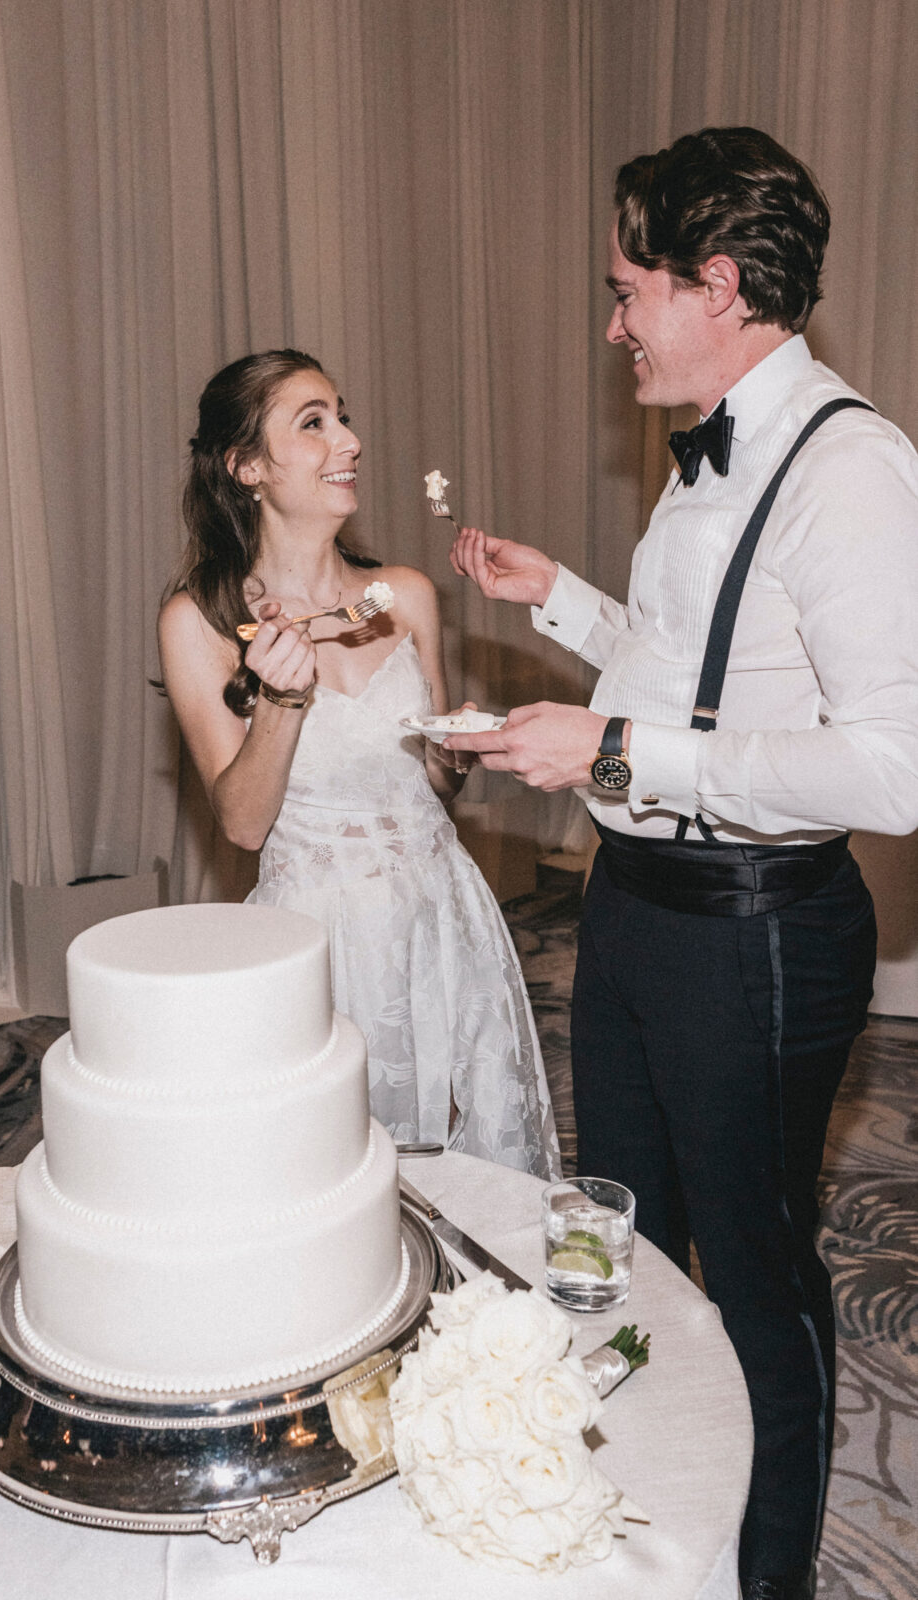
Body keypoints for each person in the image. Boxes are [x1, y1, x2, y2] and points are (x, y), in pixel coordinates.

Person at [445, 128, 918, 1600]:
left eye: (623, 289)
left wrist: (617, 756)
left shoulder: (850, 472)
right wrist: (567, 605)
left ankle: (762, 1574)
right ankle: (634, 1544)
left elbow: (892, 768)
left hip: (755, 932)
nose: (609, 324)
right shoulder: (706, 452)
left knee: (757, 1276)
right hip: (635, 908)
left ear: (714, 285)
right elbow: (699, 671)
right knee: (619, 1242)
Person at [158, 349, 560, 1181]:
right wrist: (281, 699)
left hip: (442, 909)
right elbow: (241, 824)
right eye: (313, 424)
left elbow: (437, 779)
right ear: (245, 468)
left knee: (472, 1165)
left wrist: (455, 754)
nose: (348, 440)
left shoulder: (406, 594)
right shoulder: (199, 622)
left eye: (341, 415)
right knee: (336, 1169)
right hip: (321, 934)